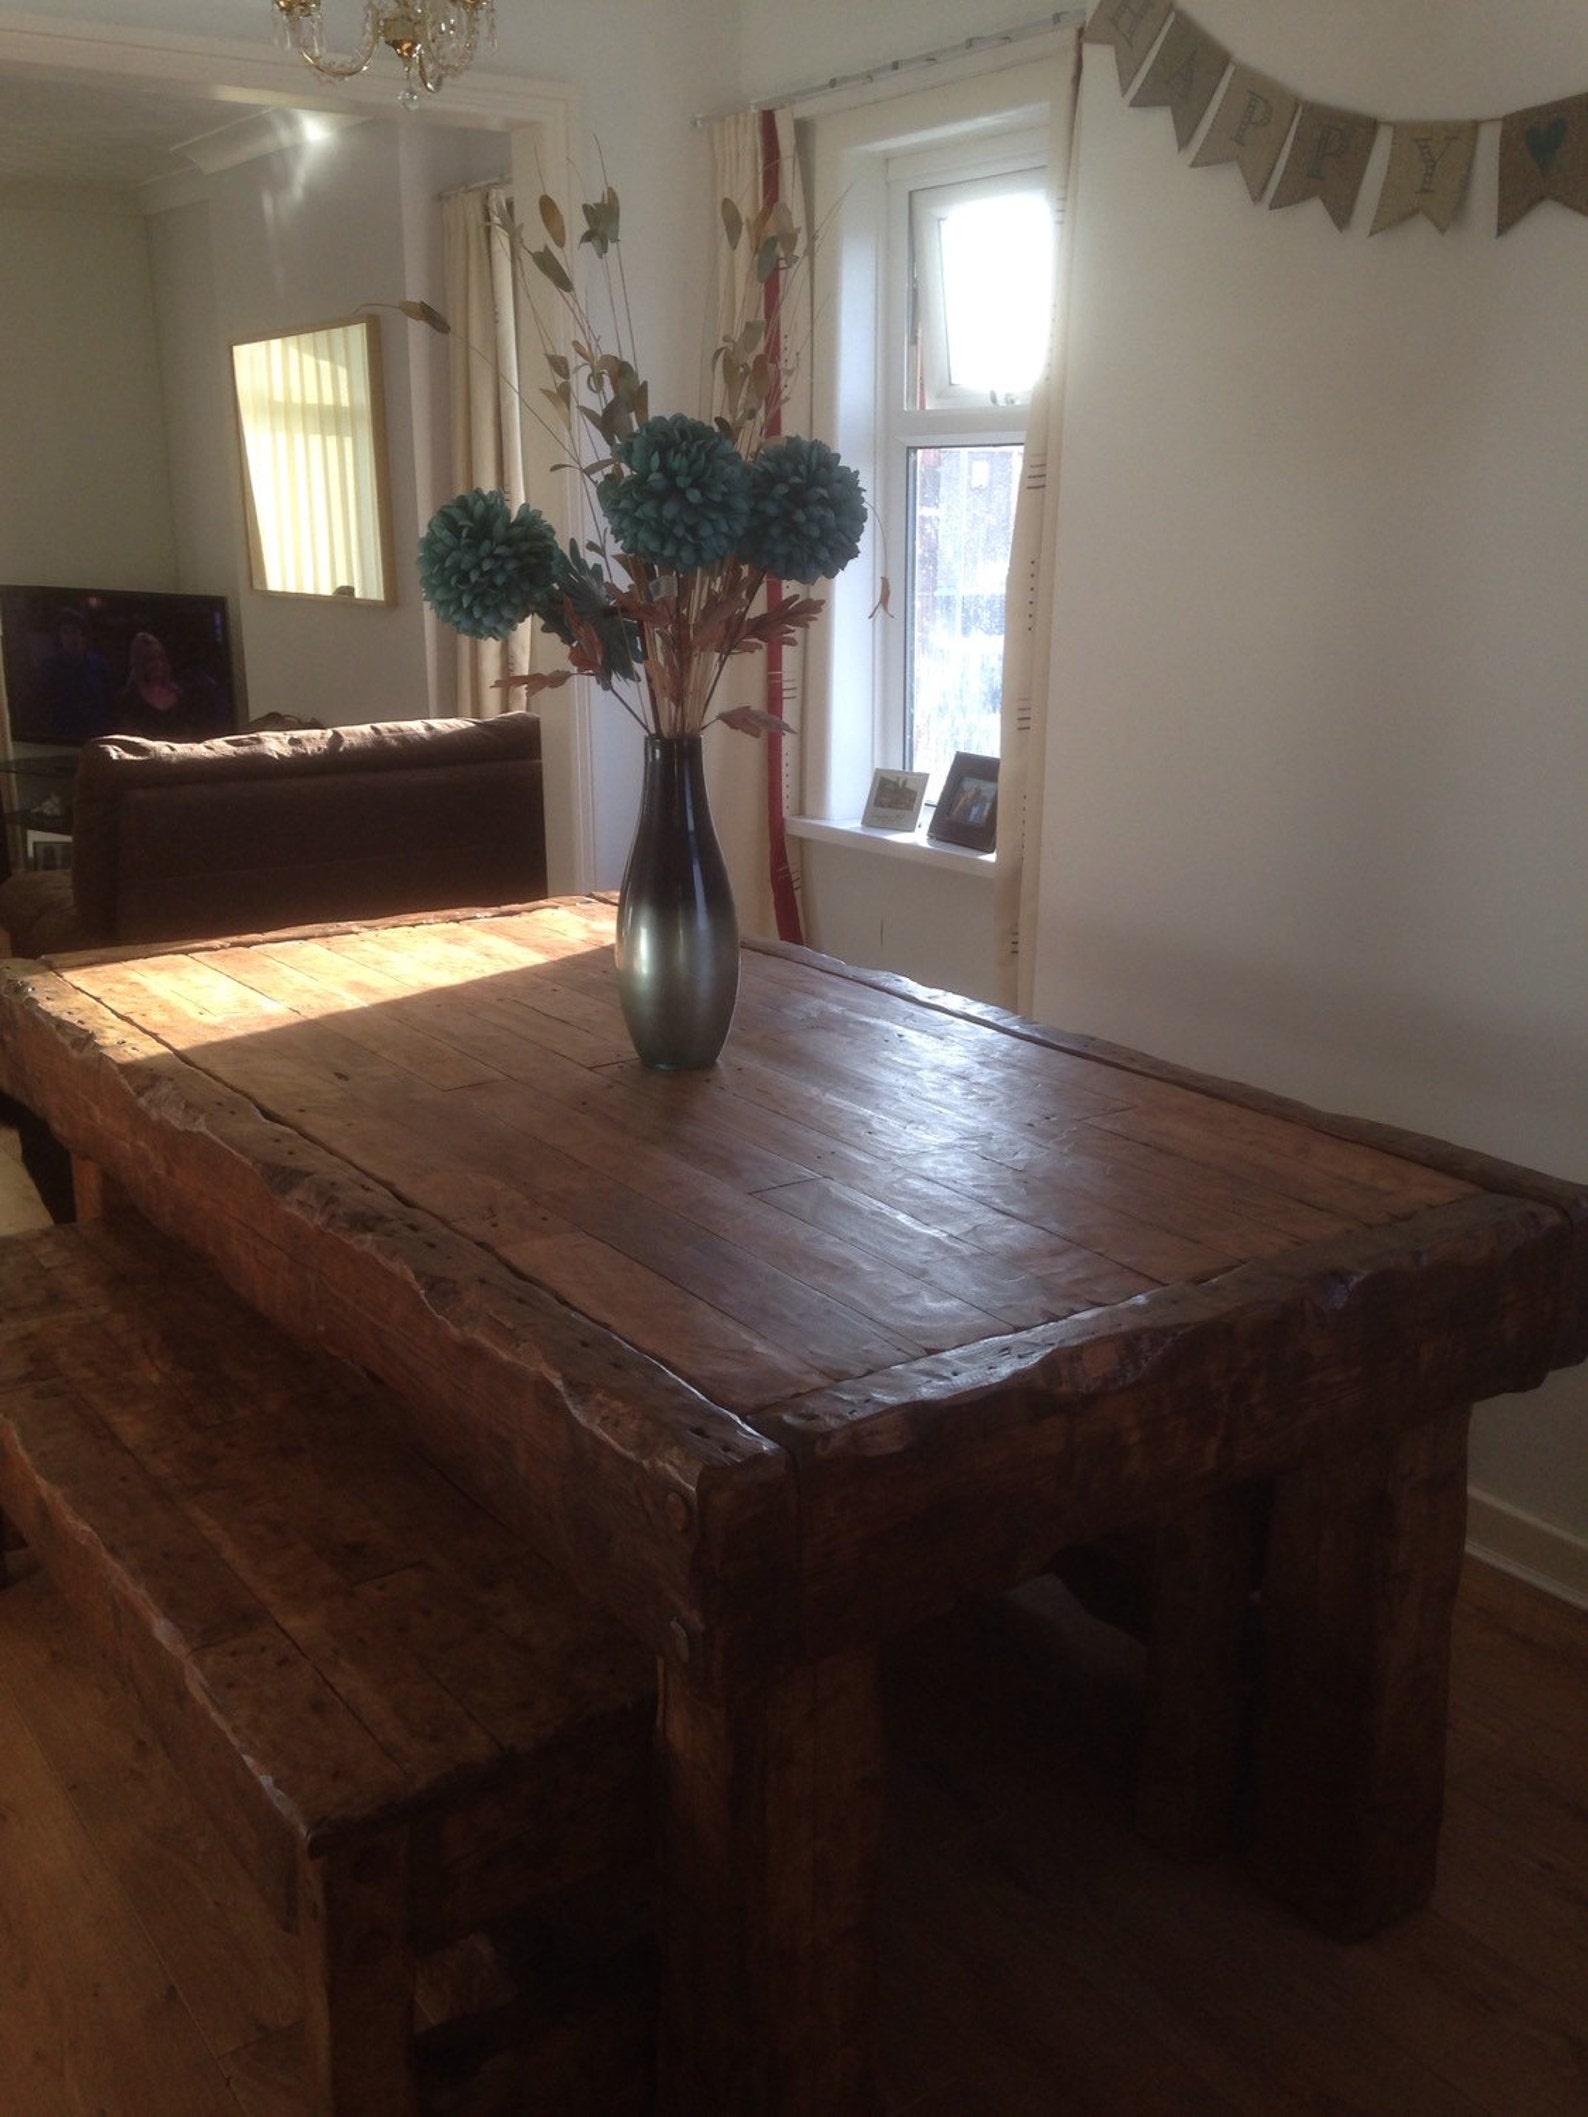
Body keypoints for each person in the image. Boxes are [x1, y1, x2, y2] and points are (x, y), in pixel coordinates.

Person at [114, 631, 225, 743]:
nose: (158, 664)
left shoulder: (179, 694)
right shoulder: (130, 701)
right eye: (151, 659)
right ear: (140, 663)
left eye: (161, 658)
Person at [38, 607, 116, 742]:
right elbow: (44, 708)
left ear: (84, 636)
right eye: (65, 632)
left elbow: (110, 702)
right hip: (60, 738)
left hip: (97, 739)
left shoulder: (99, 665)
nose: (71, 638)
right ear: (59, 637)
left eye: (75, 632)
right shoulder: (49, 668)